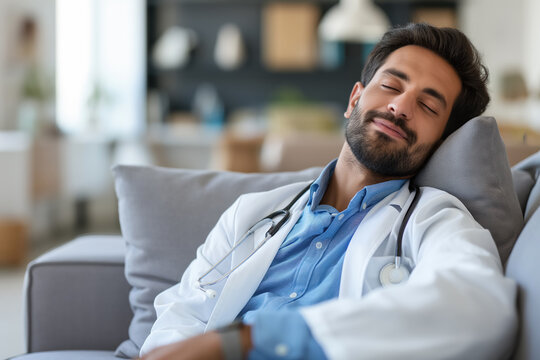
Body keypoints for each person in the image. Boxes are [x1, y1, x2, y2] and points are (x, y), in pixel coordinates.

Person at [139, 23, 517, 360]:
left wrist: (247, 341)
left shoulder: (436, 220)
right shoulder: (251, 213)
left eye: (427, 105)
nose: (400, 106)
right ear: (355, 99)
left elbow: (479, 307)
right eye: (390, 86)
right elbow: (182, 312)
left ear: (442, 142)